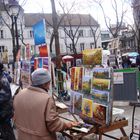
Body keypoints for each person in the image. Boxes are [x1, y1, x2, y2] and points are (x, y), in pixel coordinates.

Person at [13, 68, 79, 140]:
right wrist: (66, 125)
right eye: (49, 82)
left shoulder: (20, 94)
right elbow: (53, 125)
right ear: (44, 84)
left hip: (22, 136)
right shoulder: (47, 99)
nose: (49, 85)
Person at [0, 62, 16, 140]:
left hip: (4, 111)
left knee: (7, 130)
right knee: (4, 129)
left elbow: (4, 96)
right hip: (3, 110)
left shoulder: (3, 80)